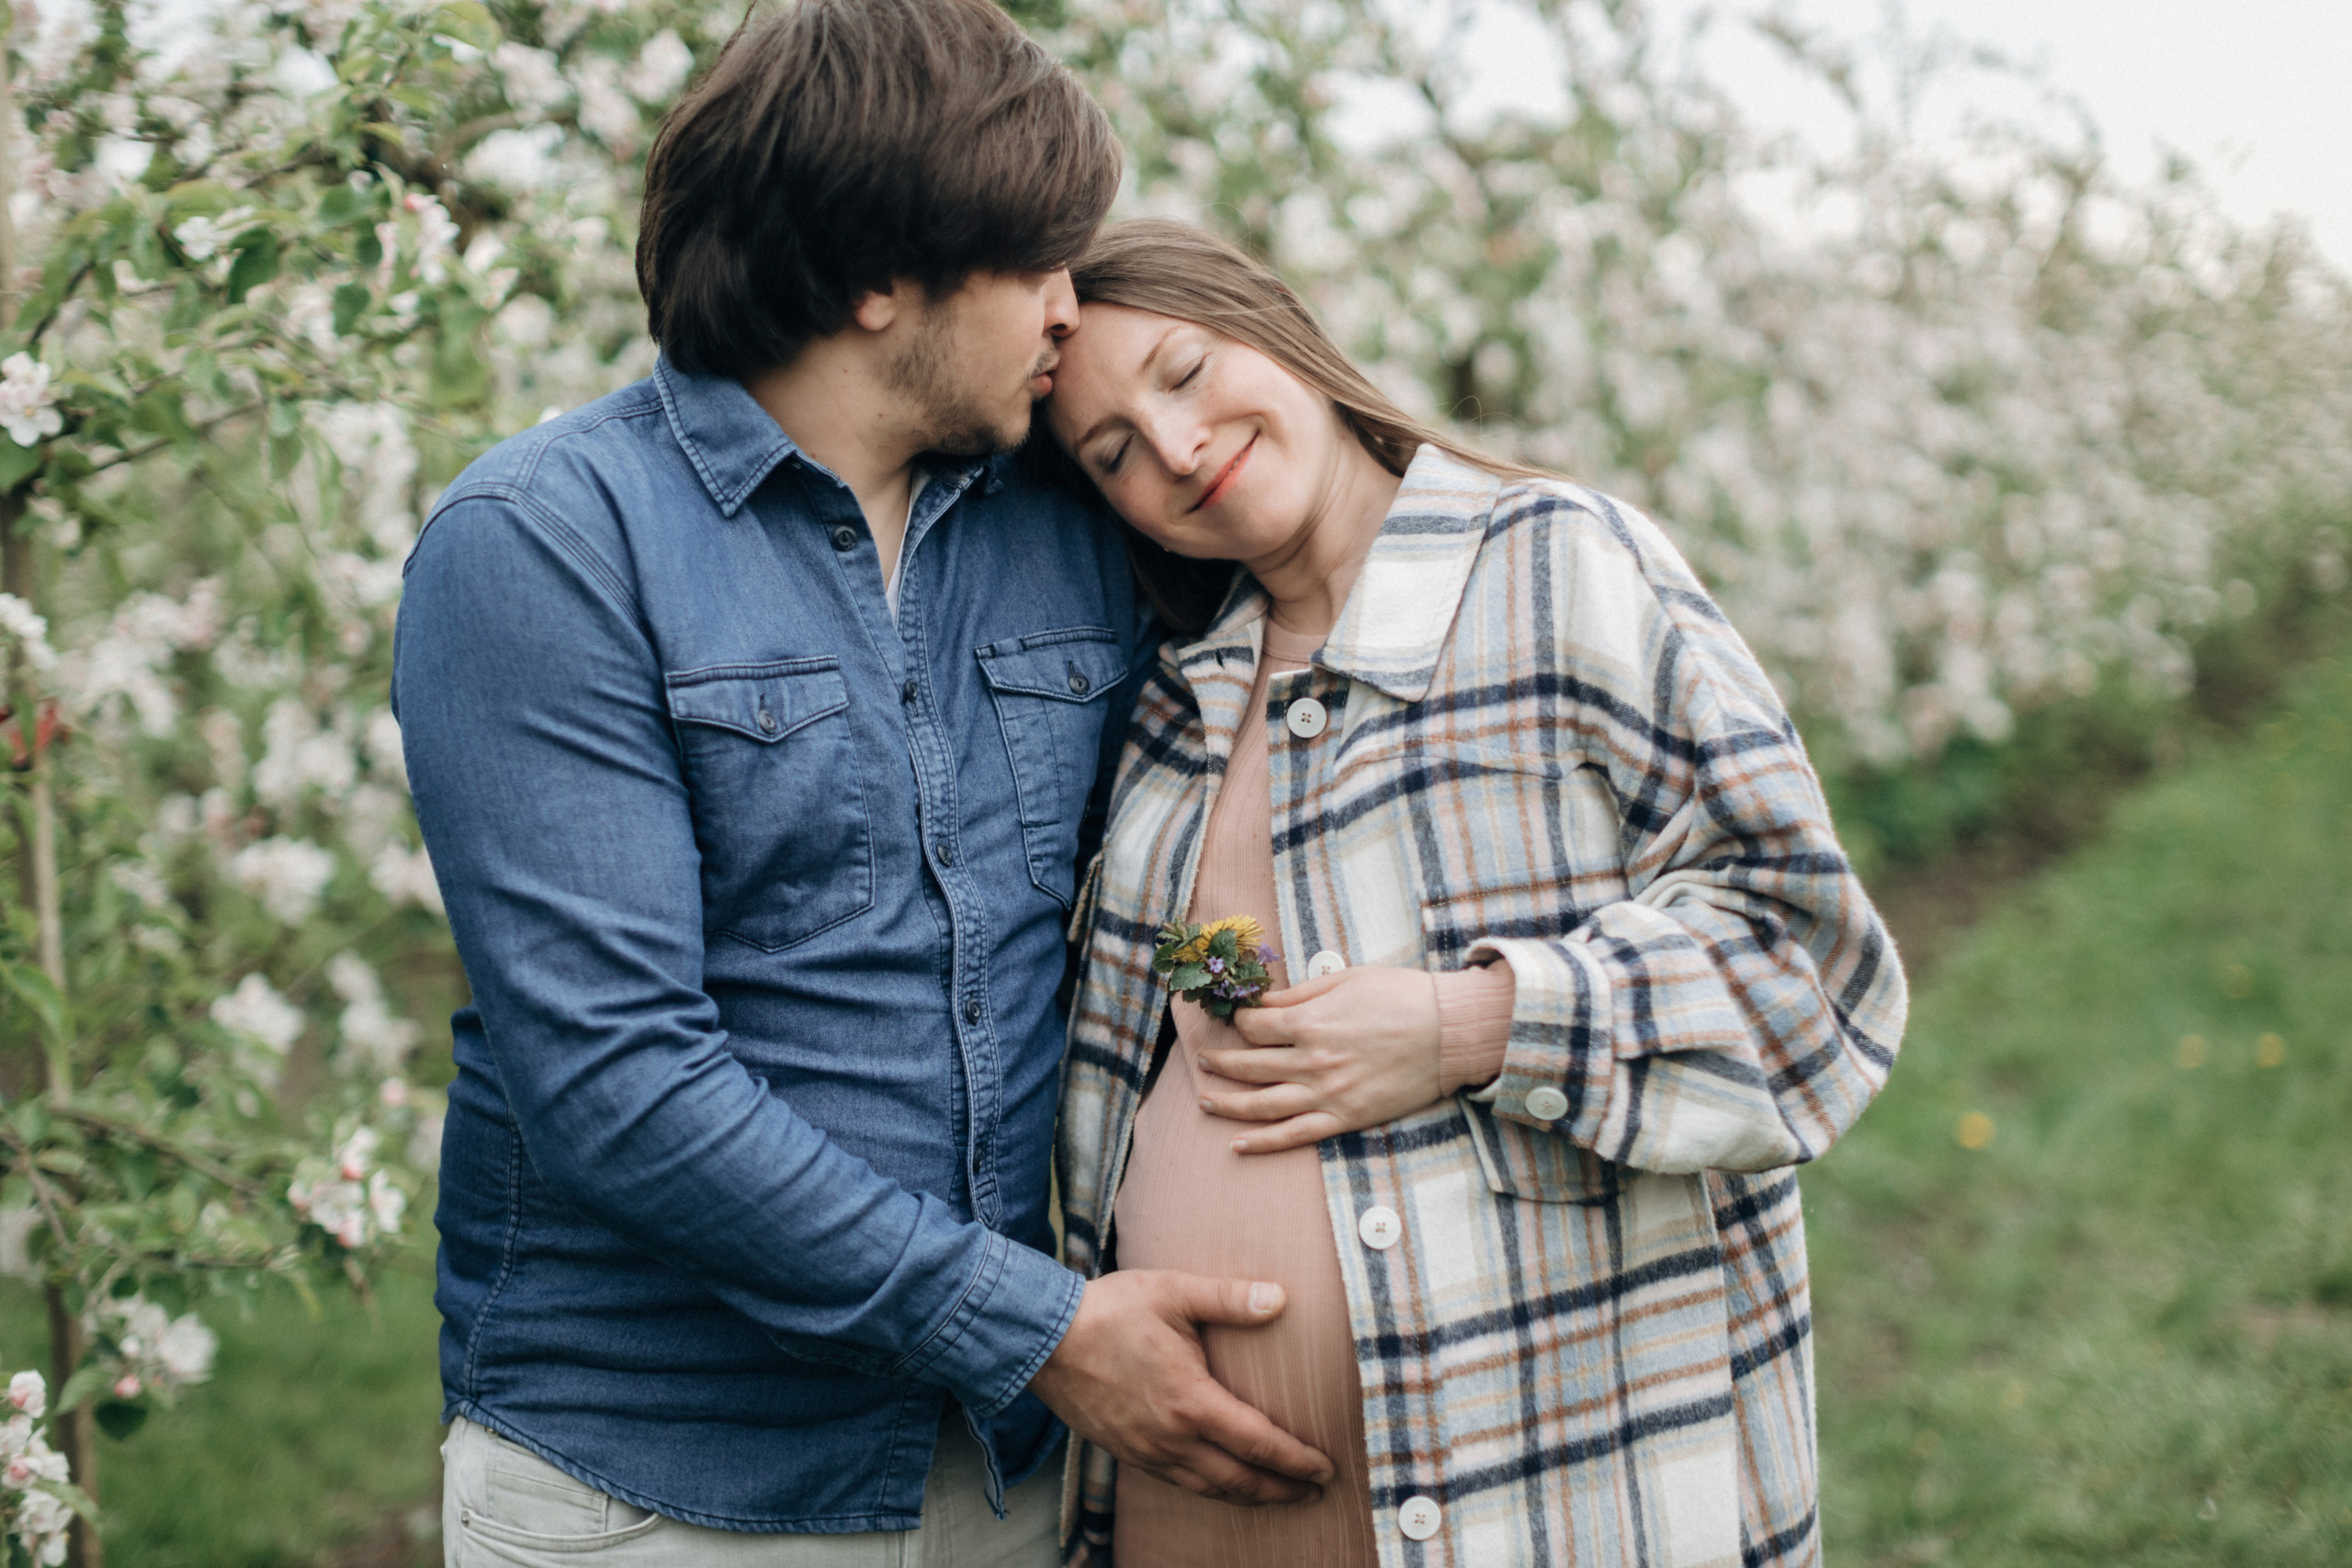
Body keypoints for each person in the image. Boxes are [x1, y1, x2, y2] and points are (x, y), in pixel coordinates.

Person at [393, 13, 1332, 1564]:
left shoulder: (1069, 514)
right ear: (876, 279)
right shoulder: (548, 544)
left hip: (1003, 1474)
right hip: (660, 1483)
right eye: (1035, 259)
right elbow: (619, 1080)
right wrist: (1037, 1331)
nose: (1070, 305)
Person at [1045, 219, 1909, 1568]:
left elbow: (1812, 973)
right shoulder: (1170, 702)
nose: (1174, 446)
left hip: (1540, 1485)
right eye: (1112, 455)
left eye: (1187, 369)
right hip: (1199, 1501)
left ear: (1272, 325)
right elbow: (1150, 1052)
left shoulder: (1555, 566)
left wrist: (1470, 1027)